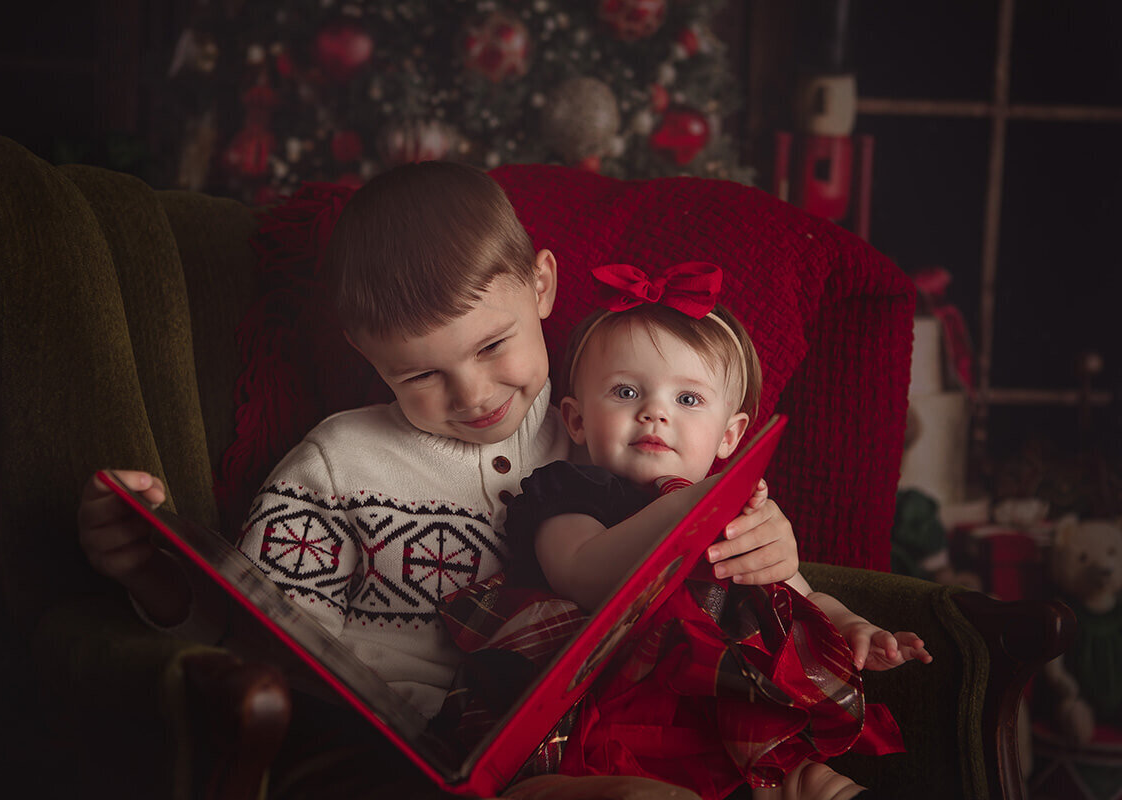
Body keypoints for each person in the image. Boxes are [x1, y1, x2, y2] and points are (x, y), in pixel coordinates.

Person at [76, 162, 804, 725]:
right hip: (372, 744)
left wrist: (764, 540)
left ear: (542, 286)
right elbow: (255, 639)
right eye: (421, 373)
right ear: (366, 353)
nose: (473, 395)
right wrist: (152, 576)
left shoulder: (604, 432)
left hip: (555, 744)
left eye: (494, 346)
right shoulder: (337, 463)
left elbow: (689, 538)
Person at [485, 261, 932, 799]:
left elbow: (790, 588)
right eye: (626, 393)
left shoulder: (734, 514)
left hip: (714, 713)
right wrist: (687, 509)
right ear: (576, 421)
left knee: (808, 779)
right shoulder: (568, 490)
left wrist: (850, 625)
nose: (654, 413)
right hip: (592, 720)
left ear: (730, 436)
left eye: (688, 399)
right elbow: (582, 573)